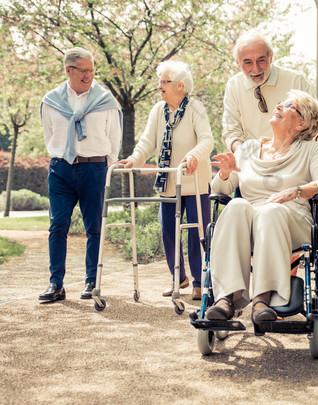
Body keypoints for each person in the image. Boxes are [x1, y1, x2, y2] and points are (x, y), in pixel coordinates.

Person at [204, 90, 318, 325]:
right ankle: (225, 297)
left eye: (287, 105)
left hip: (291, 219)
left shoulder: (309, 150)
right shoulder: (247, 150)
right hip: (251, 221)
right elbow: (221, 190)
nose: (278, 107)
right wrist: (224, 173)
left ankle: (262, 300)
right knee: (235, 205)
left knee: (270, 210)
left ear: (302, 123)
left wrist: (296, 191)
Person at [120, 61, 214, 300]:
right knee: (168, 231)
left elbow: (207, 140)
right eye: (159, 81)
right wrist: (133, 160)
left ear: (180, 85)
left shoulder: (195, 108)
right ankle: (177, 277)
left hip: (194, 182)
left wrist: (193, 155)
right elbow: (147, 142)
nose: (159, 86)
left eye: (164, 81)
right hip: (169, 182)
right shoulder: (158, 111)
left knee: (196, 233)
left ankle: (198, 281)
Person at [39, 47, 122, 303]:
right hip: (61, 169)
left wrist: (103, 166)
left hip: (94, 169)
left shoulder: (106, 100)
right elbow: (49, 135)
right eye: (83, 70)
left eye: (91, 70)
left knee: (94, 228)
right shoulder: (51, 100)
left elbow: (114, 139)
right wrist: (62, 158)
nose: (88, 76)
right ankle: (56, 284)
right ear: (68, 70)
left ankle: (91, 282)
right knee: (57, 226)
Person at [222, 32, 318, 153]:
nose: (256, 69)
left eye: (261, 60)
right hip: (251, 162)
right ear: (238, 63)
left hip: (291, 162)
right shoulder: (233, 86)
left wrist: (317, 150)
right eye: (248, 62)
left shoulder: (295, 80)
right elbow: (231, 131)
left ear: (271, 57)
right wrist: (244, 156)